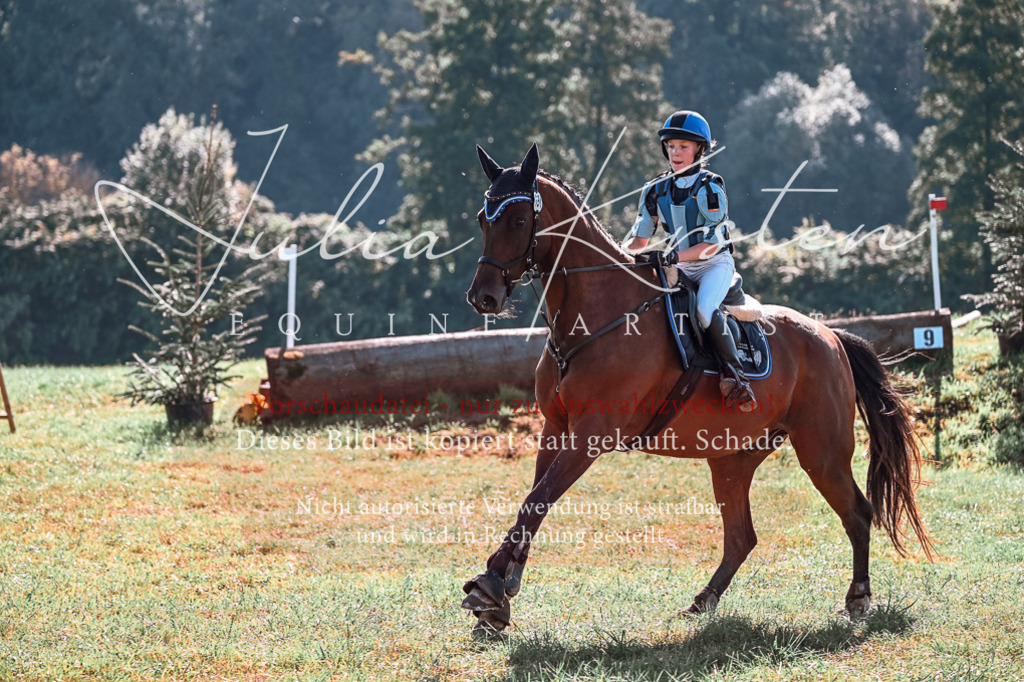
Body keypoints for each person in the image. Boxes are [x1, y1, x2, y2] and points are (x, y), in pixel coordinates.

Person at [625, 109, 756, 411]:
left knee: (704, 309)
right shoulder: (655, 190)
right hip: (680, 266)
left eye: (683, 146)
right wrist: (617, 258)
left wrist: (674, 255)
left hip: (714, 265)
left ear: (700, 148)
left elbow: (713, 244)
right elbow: (638, 240)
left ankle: (736, 378)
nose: (675, 153)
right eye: (671, 146)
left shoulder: (710, 187)